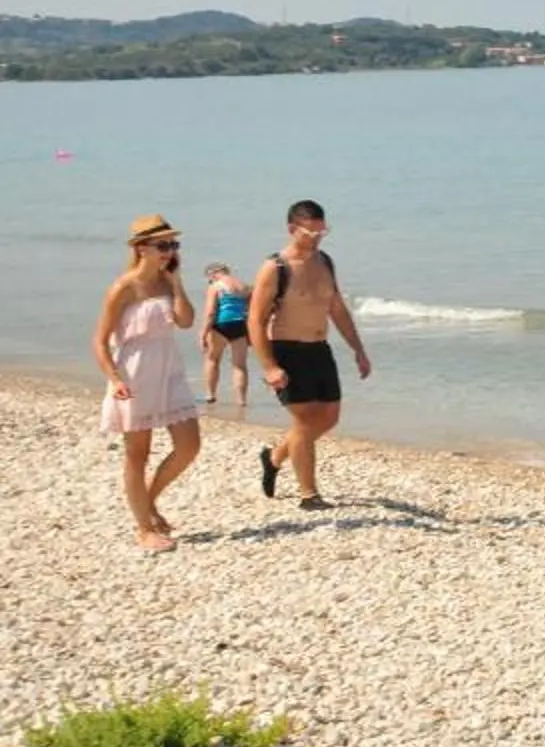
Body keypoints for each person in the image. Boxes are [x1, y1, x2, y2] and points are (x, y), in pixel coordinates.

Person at [246, 198, 370, 510]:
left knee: (328, 418)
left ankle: (274, 458)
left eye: (322, 231)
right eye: (310, 233)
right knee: (305, 421)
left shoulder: (324, 262)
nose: (317, 238)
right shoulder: (275, 268)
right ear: (292, 229)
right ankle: (308, 495)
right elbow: (256, 320)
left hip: (319, 350)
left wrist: (358, 349)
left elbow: (336, 308)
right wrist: (269, 366)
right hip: (287, 351)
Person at [98, 215, 202, 551]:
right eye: (163, 245)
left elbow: (186, 322)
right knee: (137, 454)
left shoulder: (167, 282)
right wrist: (114, 379)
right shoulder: (123, 287)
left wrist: (176, 282)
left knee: (190, 446)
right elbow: (99, 341)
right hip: (134, 371)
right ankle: (144, 529)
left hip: (169, 369)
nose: (169, 251)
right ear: (141, 248)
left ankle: (150, 500)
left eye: (174, 244)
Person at [199, 262, 254, 407]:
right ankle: (241, 400)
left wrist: (203, 333)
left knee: (212, 359)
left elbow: (210, 312)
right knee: (240, 365)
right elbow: (250, 311)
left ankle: (210, 394)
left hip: (221, 324)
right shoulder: (244, 286)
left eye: (209, 279)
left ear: (213, 274)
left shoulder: (216, 286)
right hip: (240, 324)